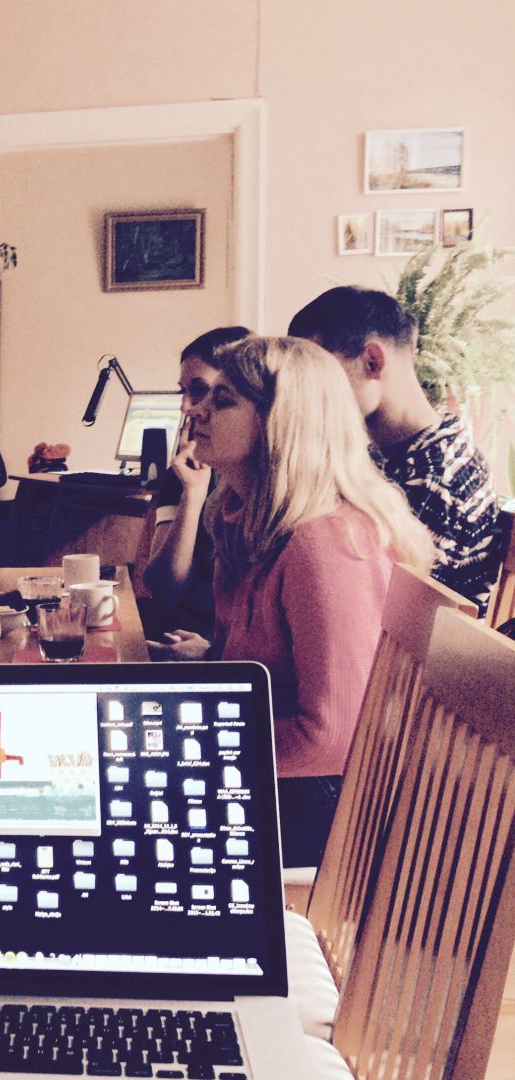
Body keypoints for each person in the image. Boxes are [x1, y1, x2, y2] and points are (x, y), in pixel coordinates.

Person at [147, 336, 434, 866]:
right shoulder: (244, 519)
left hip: (323, 800)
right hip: (277, 765)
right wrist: (210, 663)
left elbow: (331, 738)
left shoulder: (324, 541)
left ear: (280, 422)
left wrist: (191, 756)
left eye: (222, 400)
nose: (195, 412)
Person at [288, 285, 500, 614]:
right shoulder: (391, 452)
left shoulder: (436, 476)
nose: (307, 392)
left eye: (319, 373)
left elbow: (378, 608)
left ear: (372, 362)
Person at [141, 325, 251, 640]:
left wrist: (212, 654)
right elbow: (163, 588)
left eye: (200, 390)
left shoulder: (269, 484)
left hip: (227, 641)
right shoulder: (186, 467)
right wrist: (193, 494)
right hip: (189, 627)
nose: (186, 406)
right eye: (183, 392)